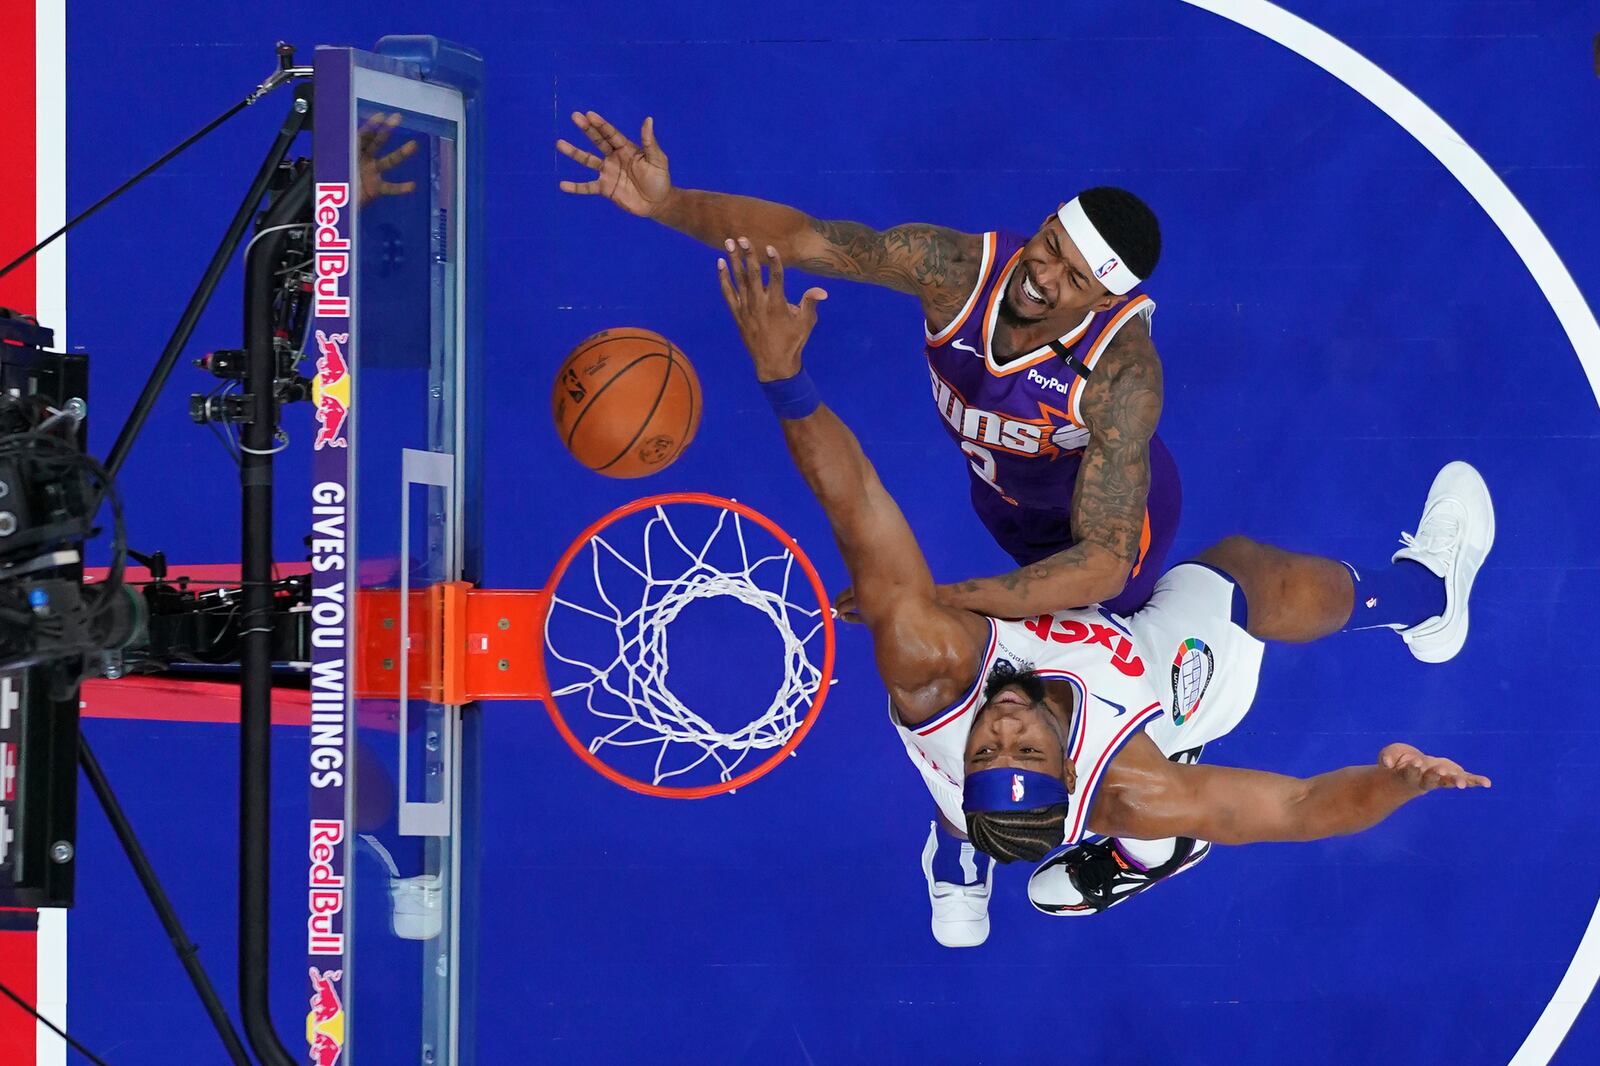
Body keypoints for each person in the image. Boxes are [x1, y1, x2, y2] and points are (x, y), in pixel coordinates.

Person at [714, 240, 1493, 947]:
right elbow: (1293, 811)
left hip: (1002, 719)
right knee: (1246, 574)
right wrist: (1398, 786)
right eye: (1027, 750)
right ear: (1070, 773)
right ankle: (1424, 596)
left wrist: (783, 377)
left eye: (990, 747)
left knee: (959, 798)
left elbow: (858, 502)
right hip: (1152, 681)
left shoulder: (929, 666)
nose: (1008, 725)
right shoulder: (1133, 784)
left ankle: (961, 846)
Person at [558, 111, 1176, 618]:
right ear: (1044, 225)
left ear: (1107, 300)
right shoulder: (958, 272)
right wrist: (667, 203)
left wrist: (924, 599)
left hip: (1110, 538)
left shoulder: (1122, 373)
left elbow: (1102, 560)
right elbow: (806, 238)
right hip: (1002, 504)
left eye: (1074, 279)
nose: (1042, 278)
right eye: (1049, 249)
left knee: (1060, 676)